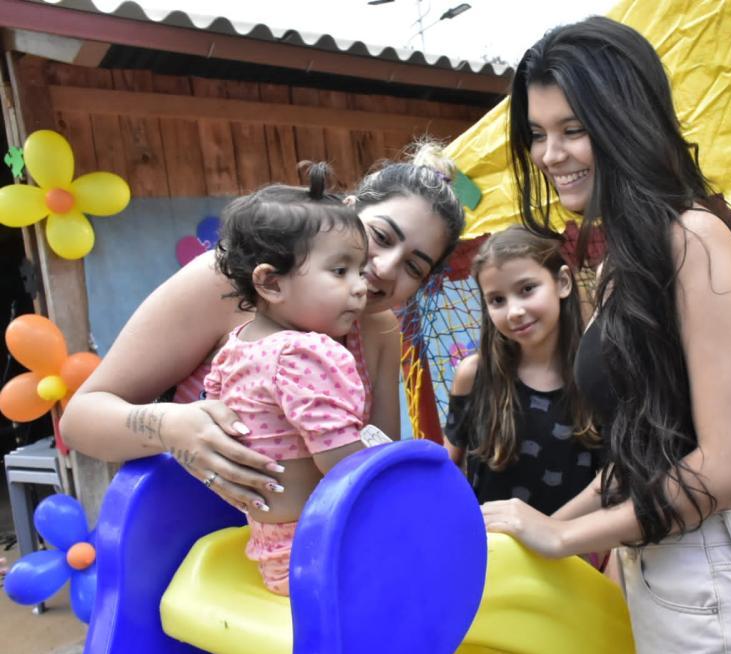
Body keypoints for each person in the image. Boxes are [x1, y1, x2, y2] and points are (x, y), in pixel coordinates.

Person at [480, 17, 731, 654]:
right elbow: (645, 453)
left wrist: (564, 538)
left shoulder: (693, 240)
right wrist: (536, 529)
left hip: (720, 581)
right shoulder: (626, 259)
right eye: (537, 135)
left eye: (573, 129)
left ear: (625, 121)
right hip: (666, 574)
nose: (549, 155)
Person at [61, 142, 465, 514]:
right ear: (349, 210)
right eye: (381, 236)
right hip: (185, 537)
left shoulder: (379, 329)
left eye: (414, 266)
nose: (385, 268)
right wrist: (170, 426)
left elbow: (367, 472)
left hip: (306, 547)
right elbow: (79, 419)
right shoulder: (228, 283)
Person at [202, 164, 371, 595]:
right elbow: (342, 465)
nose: (360, 287)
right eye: (340, 271)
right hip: (328, 554)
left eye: (361, 270)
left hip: (274, 554)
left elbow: (214, 412)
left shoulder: (235, 348)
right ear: (271, 283)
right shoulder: (304, 353)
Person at [443, 226, 602, 517]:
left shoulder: (597, 376)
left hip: (570, 541)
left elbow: (611, 480)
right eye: (497, 300)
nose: (514, 311)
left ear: (562, 283)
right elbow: (446, 468)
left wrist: (547, 530)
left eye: (527, 289)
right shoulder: (474, 374)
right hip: (490, 542)